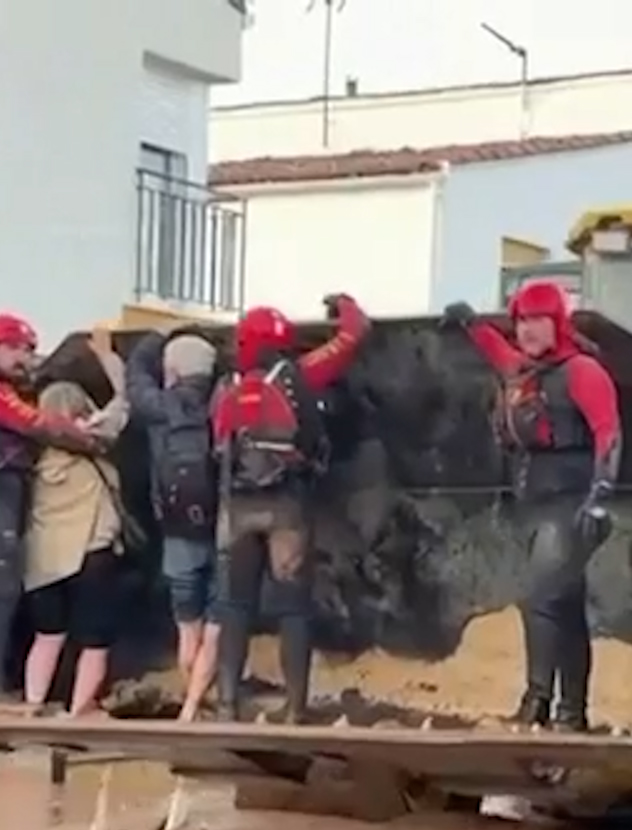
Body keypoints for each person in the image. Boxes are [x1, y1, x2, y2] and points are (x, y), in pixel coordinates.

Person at [442, 282, 621, 732]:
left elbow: (608, 431)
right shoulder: (526, 370)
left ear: (558, 322)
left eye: (538, 319)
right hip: (535, 503)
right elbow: (497, 353)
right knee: (564, 606)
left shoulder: (582, 371)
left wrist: (601, 494)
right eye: (521, 320)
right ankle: (571, 712)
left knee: (540, 598)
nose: (527, 329)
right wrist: (471, 324)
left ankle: (539, 704)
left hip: (572, 505)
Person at [210, 293, 371, 723]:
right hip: (288, 505)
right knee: (294, 607)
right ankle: (295, 708)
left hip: (237, 506)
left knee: (236, 605)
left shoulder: (226, 385)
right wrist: (344, 306)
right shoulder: (298, 373)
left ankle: (227, 703)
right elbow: (354, 336)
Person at [0, 313, 102, 713]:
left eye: (28, 350)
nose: (24, 358)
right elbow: (37, 424)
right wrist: (87, 435)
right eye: (15, 349)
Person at [21, 361, 130, 716]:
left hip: (43, 559)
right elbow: (121, 409)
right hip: (92, 553)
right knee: (95, 642)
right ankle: (80, 710)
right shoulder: (89, 436)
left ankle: (33, 705)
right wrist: (113, 365)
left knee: (48, 636)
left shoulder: (30, 452)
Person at [126, 331, 225, 722]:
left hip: (177, 529)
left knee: (188, 628)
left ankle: (191, 705)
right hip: (222, 527)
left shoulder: (159, 407)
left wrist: (153, 340)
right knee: (217, 628)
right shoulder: (222, 402)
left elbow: (135, 378)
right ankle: (195, 705)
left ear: (173, 370)